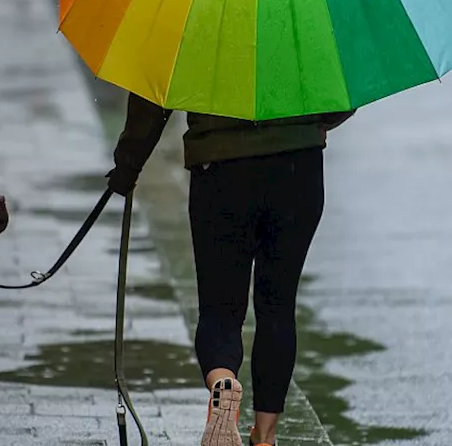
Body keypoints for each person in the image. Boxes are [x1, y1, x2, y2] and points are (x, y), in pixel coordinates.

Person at [108, 92, 354, 446]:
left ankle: (223, 383)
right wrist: (309, 124)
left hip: (221, 166)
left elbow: (155, 92)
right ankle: (265, 437)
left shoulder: (197, 32)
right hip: (298, 166)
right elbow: (343, 91)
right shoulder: (305, 34)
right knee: (278, 307)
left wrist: (128, 165)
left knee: (219, 310)